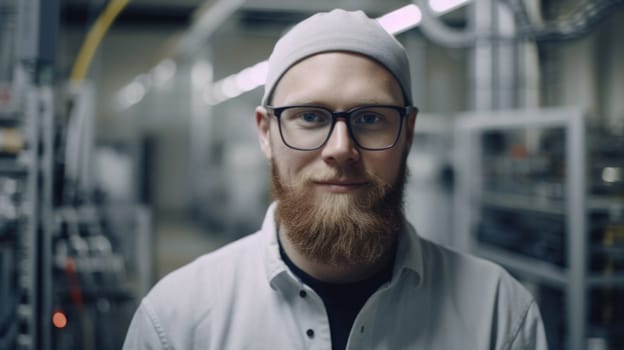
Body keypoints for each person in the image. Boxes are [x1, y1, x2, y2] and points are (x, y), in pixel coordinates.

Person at [123, 9, 548, 350]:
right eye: (310, 116)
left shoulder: (500, 316)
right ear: (266, 133)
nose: (341, 148)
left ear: (409, 133)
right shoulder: (177, 322)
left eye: (370, 118)